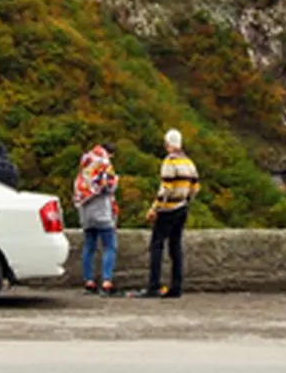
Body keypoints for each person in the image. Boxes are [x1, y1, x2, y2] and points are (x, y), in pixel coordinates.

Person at [131, 128, 199, 299]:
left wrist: (155, 207)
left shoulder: (170, 162)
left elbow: (166, 187)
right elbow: (195, 187)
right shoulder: (189, 162)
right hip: (182, 208)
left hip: (168, 209)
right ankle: (176, 286)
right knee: (175, 247)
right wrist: (186, 201)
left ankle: (154, 285)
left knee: (157, 245)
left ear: (167, 144)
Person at [73, 143, 119, 295]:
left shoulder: (85, 163)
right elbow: (109, 186)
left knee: (89, 247)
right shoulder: (104, 164)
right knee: (109, 246)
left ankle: (89, 281)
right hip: (102, 211)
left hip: (86, 212)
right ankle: (106, 281)